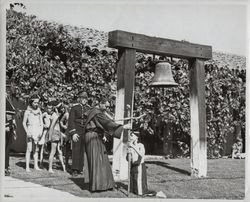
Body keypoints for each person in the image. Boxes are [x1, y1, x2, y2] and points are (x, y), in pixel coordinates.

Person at [83, 104, 131, 192]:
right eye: (106, 106)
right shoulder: (97, 113)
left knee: (103, 160)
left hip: (93, 135)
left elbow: (97, 125)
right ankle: (97, 186)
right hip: (93, 137)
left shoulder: (92, 111)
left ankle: (106, 184)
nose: (107, 108)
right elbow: (107, 123)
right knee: (97, 160)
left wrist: (103, 134)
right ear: (101, 104)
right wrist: (124, 127)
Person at [67, 92, 91, 177]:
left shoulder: (89, 108)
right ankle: (75, 169)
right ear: (79, 99)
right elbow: (71, 121)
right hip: (77, 130)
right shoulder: (74, 108)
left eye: (85, 98)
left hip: (85, 130)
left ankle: (80, 168)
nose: (84, 100)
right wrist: (73, 133)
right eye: (82, 98)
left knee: (83, 150)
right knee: (76, 149)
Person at [126, 132, 156, 196]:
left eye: (132, 136)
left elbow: (141, 154)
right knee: (133, 179)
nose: (130, 137)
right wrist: (128, 153)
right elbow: (128, 159)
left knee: (139, 183)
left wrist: (133, 146)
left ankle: (141, 191)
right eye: (130, 136)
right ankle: (133, 190)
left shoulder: (140, 145)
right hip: (133, 165)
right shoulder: (130, 146)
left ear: (136, 137)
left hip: (139, 165)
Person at [23, 94, 44, 172]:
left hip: (37, 131)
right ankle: (27, 167)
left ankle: (36, 166)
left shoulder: (39, 111)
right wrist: (27, 132)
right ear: (31, 102)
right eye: (35, 102)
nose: (36, 104)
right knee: (29, 149)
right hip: (30, 130)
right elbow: (24, 123)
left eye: (37, 102)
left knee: (36, 149)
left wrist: (40, 132)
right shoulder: (27, 111)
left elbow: (41, 122)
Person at [47, 101, 66, 173]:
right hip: (54, 134)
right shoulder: (55, 116)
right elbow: (51, 127)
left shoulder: (56, 115)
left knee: (59, 151)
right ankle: (50, 168)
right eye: (58, 108)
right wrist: (49, 137)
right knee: (53, 151)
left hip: (57, 133)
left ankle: (63, 167)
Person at [38, 103, 53, 168]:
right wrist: (43, 125)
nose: (49, 109)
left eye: (51, 108)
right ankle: (41, 163)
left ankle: (50, 164)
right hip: (45, 131)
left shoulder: (53, 114)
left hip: (51, 131)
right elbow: (39, 120)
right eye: (48, 108)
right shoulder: (45, 114)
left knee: (50, 148)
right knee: (42, 147)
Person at [5, 96, 17, 176]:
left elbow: (12, 117)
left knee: (6, 149)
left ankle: (5, 167)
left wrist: (14, 130)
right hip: (5, 128)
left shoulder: (7, 102)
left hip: (8, 129)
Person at [58, 104, 70, 169]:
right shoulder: (66, 114)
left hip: (72, 131)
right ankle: (66, 163)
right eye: (61, 109)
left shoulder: (69, 113)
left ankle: (67, 163)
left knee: (69, 148)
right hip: (67, 132)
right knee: (66, 147)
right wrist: (64, 126)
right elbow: (61, 121)